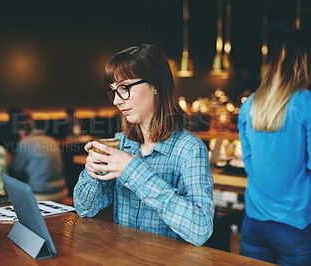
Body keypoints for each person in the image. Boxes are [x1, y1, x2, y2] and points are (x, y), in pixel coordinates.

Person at [73, 44, 214, 246]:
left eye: (124, 88)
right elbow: (85, 209)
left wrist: (133, 170)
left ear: (155, 85)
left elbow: (201, 230)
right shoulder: (120, 142)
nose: (116, 101)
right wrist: (92, 173)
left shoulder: (189, 149)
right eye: (113, 91)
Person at [238, 29, 311, 264]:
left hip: (253, 221)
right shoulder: (305, 103)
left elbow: (249, 162)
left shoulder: (249, 105)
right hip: (295, 224)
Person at [9, 112, 66, 202]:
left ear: (21, 131)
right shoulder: (52, 141)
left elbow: (15, 170)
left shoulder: (25, 143)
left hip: (40, 194)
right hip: (60, 191)